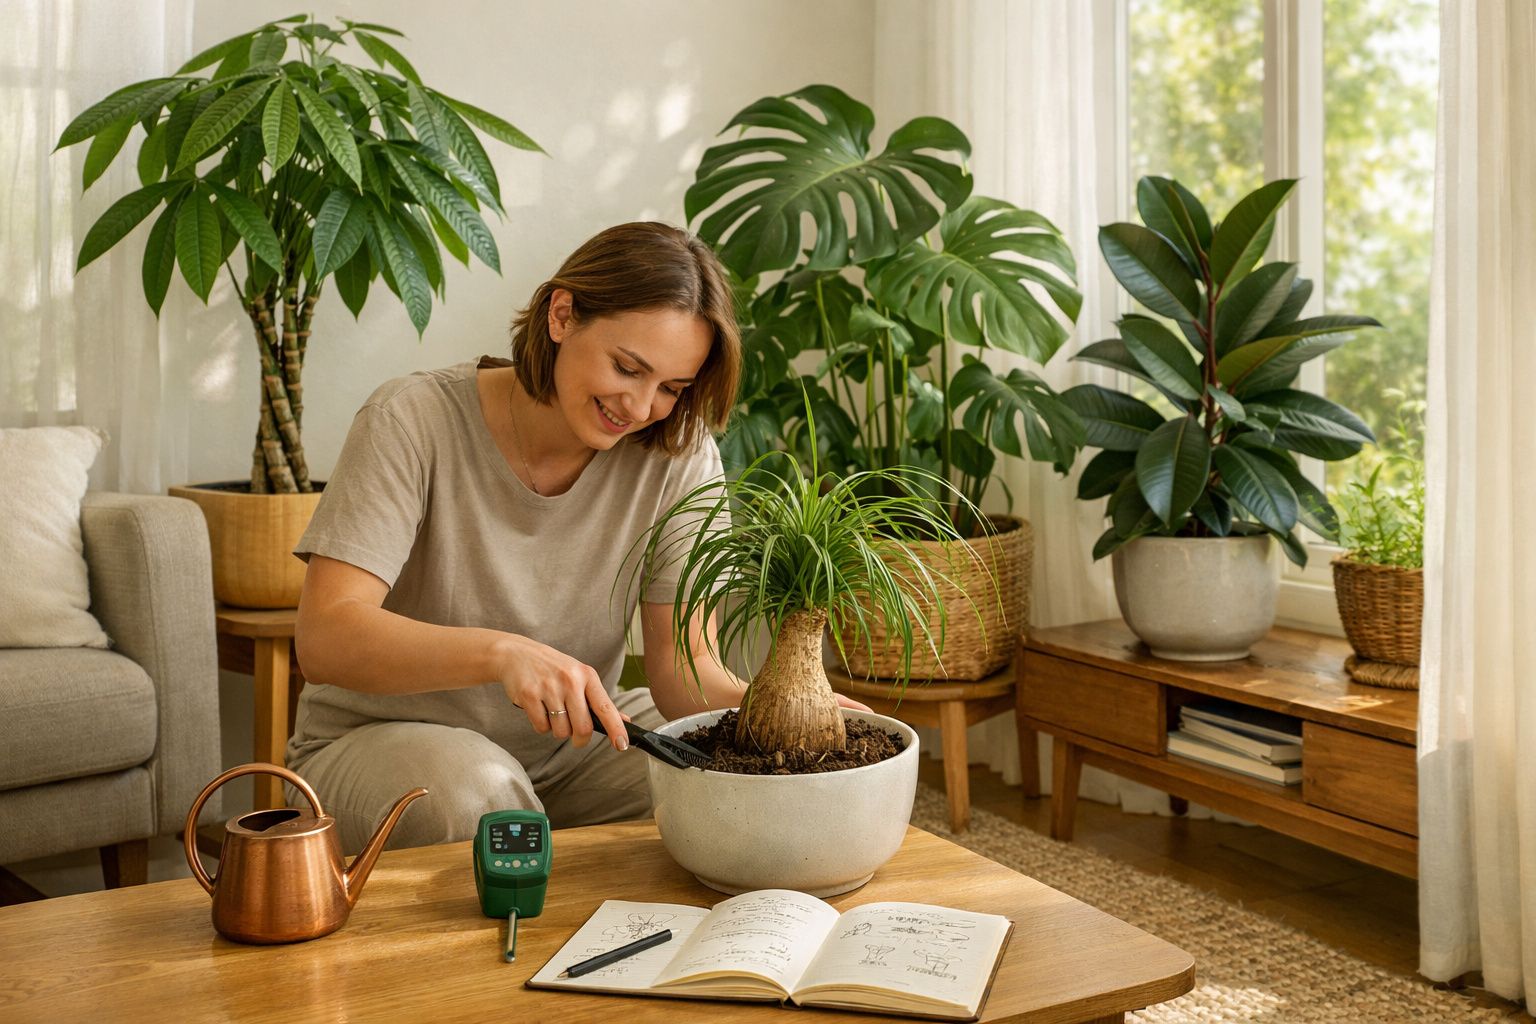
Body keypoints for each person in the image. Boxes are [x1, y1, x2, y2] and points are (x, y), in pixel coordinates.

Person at [286, 222, 864, 852]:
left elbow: (686, 674)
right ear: (562, 314)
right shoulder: (410, 420)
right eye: (627, 367)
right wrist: (501, 654)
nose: (641, 407)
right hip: (383, 746)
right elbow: (327, 637)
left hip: (575, 752)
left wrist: (788, 715)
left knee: (753, 797)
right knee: (482, 798)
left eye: (671, 388)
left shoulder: (678, 455)